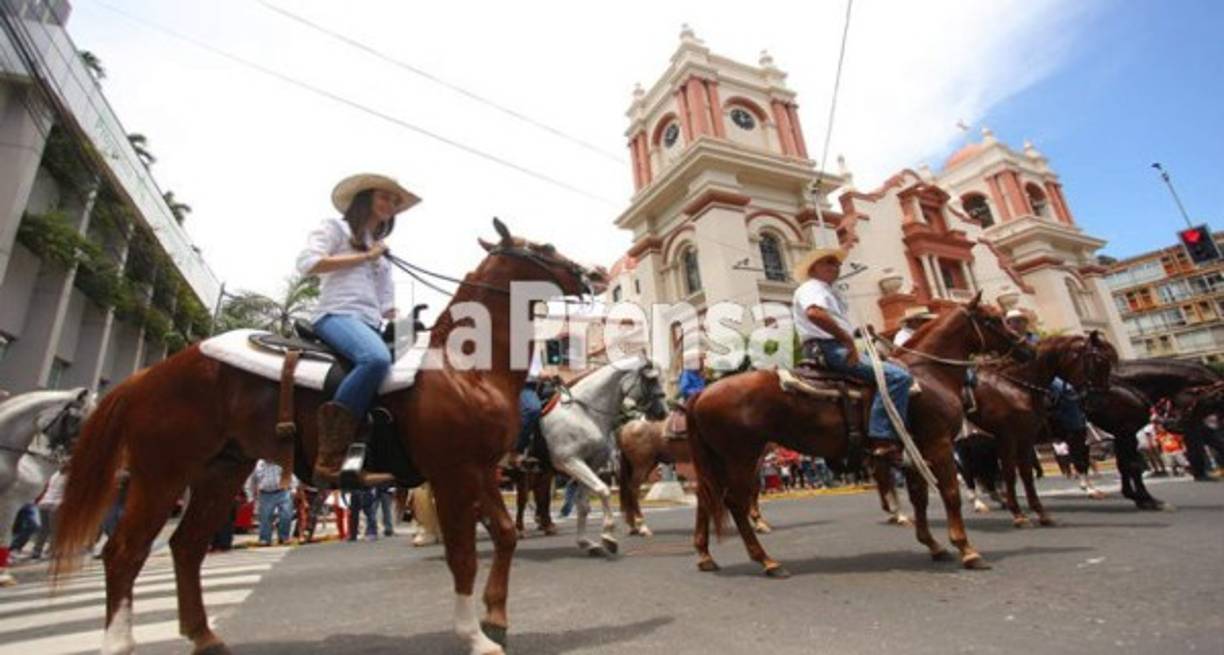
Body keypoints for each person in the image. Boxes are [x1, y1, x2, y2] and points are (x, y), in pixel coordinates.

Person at [296, 173, 420, 487]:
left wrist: (401, 320)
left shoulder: (381, 253)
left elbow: (386, 302)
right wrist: (364, 256)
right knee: (375, 359)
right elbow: (307, 263)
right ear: (365, 199)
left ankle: (372, 454)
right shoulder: (335, 228)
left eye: (395, 201)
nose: (390, 204)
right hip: (336, 314)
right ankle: (328, 459)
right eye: (385, 197)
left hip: (370, 323)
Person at [792, 247, 910, 459]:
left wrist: (855, 334)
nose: (836, 267)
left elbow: (829, 320)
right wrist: (847, 340)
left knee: (890, 368)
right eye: (829, 262)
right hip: (830, 348)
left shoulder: (827, 291)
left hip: (831, 345)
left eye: (837, 264)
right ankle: (883, 437)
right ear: (813, 268)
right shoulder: (813, 287)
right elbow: (815, 313)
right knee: (898, 376)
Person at [249, 460, 295, 546]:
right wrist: (251, 495)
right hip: (266, 494)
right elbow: (253, 480)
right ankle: (265, 539)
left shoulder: (282, 462)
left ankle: (284, 537)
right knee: (266, 517)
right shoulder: (259, 465)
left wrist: (293, 489)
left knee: (286, 515)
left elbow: (291, 474)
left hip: (283, 491)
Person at [513, 352, 545, 468]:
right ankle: (517, 450)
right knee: (532, 408)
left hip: (538, 385)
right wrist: (539, 374)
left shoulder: (534, 350)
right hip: (521, 385)